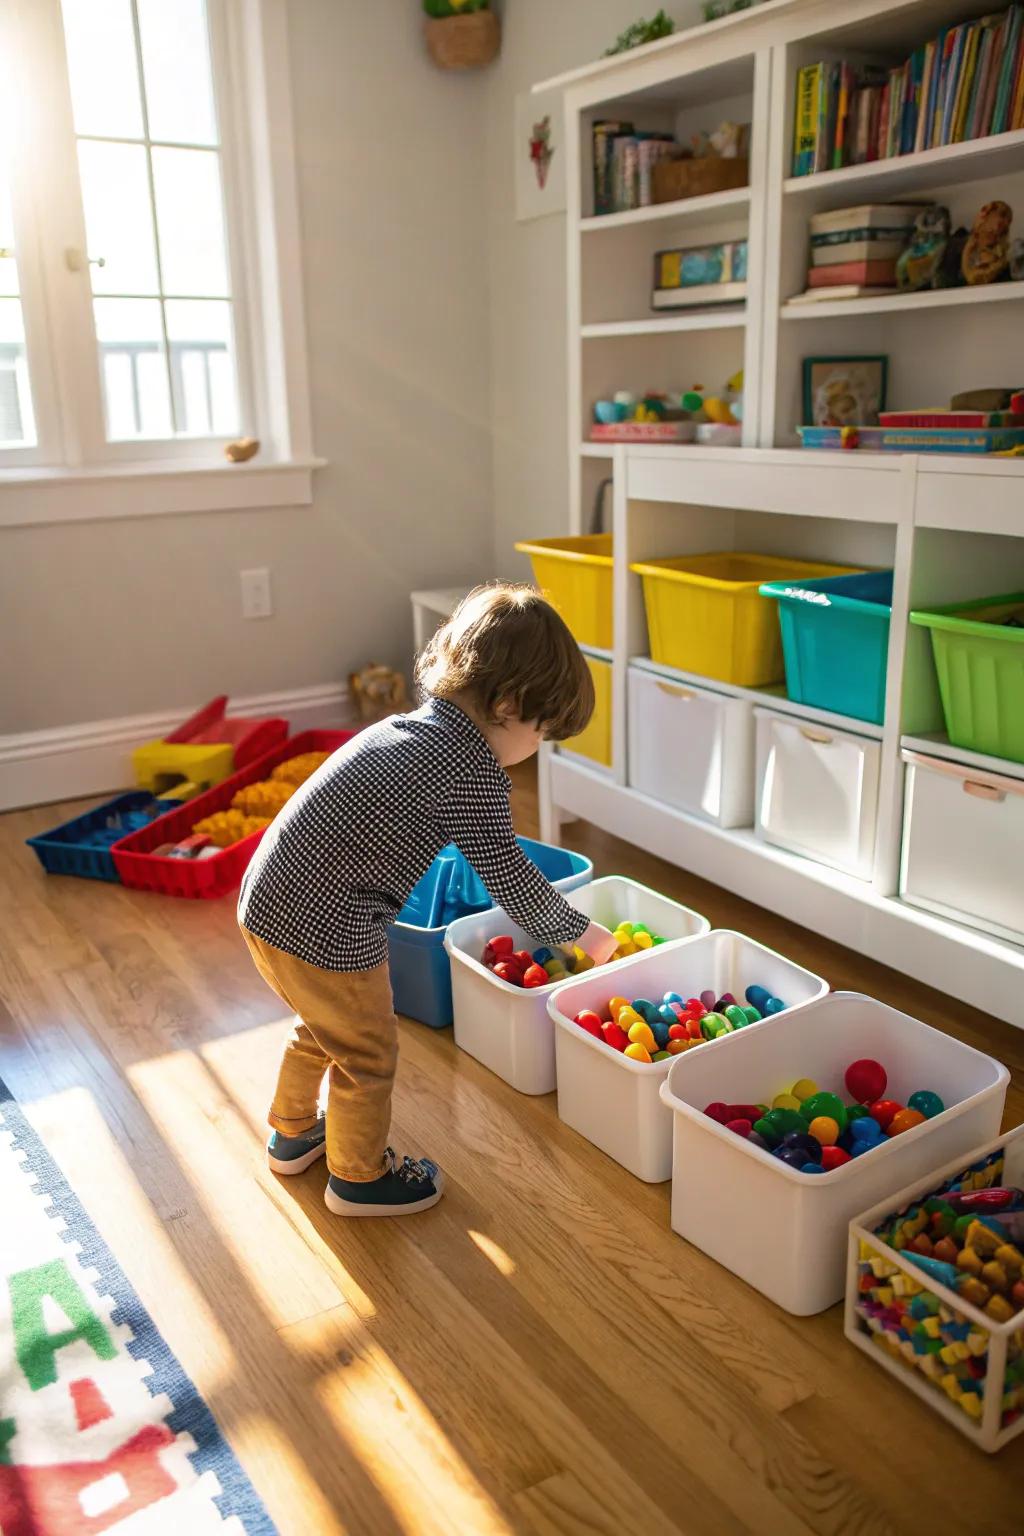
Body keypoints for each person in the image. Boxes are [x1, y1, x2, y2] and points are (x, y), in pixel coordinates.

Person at [238, 583, 617, 1217]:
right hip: (327, 928)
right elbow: (514, 881)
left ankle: (293, 1130)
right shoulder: (471, 769)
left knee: (324, 1027)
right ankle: (358, 1179)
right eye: (542, 731)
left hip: (266, 903)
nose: (536, 748)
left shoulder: (405, 729)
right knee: (367, 1053)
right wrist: (586, 934)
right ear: (508, 703)